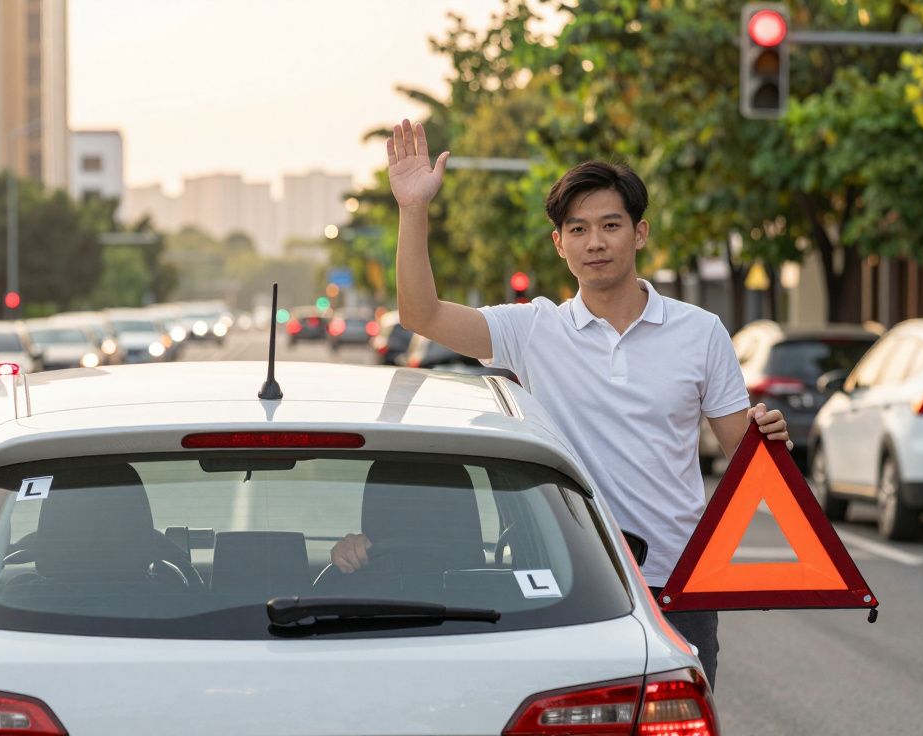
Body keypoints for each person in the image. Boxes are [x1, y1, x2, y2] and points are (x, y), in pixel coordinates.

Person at [330, 119, 792, 687]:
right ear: (559, 242)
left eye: (610, 225)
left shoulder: (701, 332)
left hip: (677, 587)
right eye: (578, 229)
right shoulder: (532, 330)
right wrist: (413, 208)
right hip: (565, 585)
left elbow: (746, 461)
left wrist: (770, 446)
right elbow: (421, 316)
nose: (594, 242)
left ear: (639, 233)